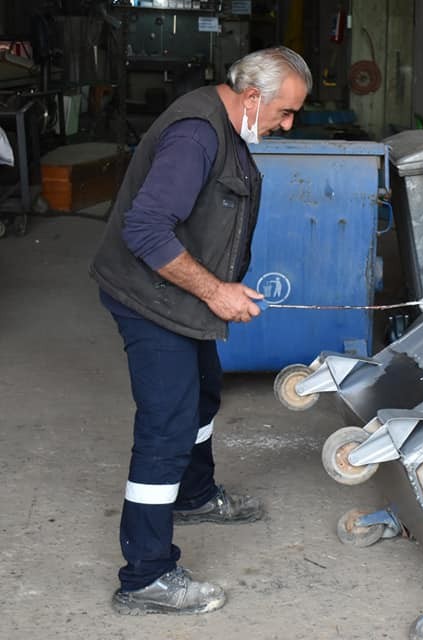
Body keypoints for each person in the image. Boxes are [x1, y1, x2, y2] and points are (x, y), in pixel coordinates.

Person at [90, 46, 311, 615]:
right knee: (166, 425)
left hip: (180, 295)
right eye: (285, 112)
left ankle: (193, 495)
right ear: (253, 96)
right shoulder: (196, 135)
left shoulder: (232, 123)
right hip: (149, 297)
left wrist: (217, 287)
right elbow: (145, 228)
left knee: (204, 394)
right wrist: (215, 291)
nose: (288, 124)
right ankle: (146, 575)